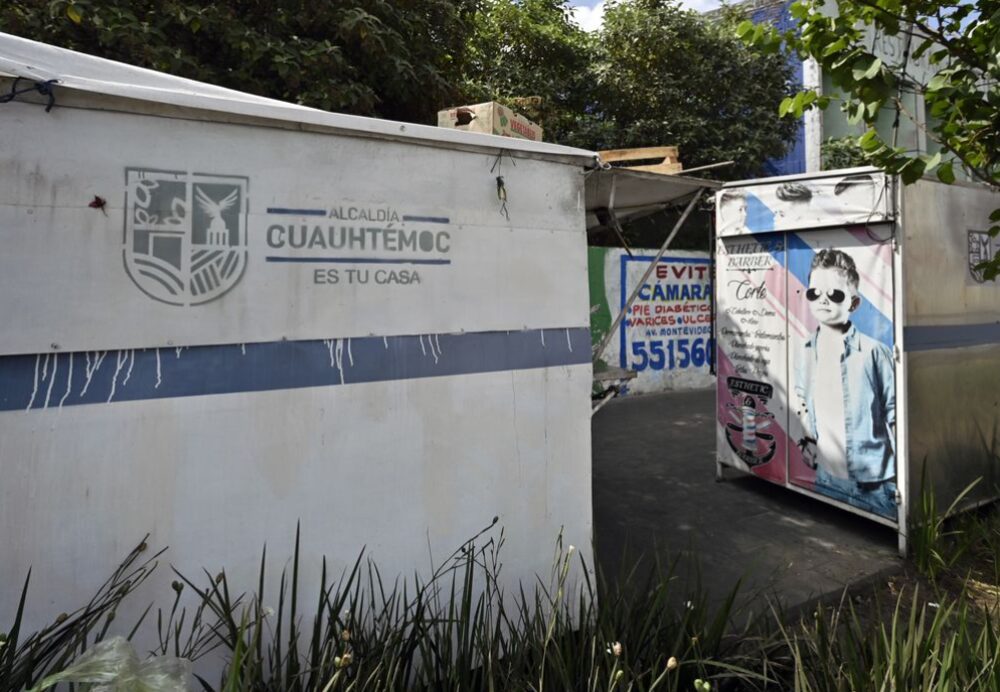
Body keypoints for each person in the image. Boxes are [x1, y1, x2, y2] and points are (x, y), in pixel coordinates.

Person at [794, 249, 897, 517]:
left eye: (835, 294)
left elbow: (896, 415)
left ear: (853, 303)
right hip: (826, 477)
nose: (823, 300)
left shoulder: (874, 352)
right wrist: (807, 440)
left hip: (874, 483)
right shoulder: (805, 349)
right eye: (814, 292)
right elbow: (802, 400)